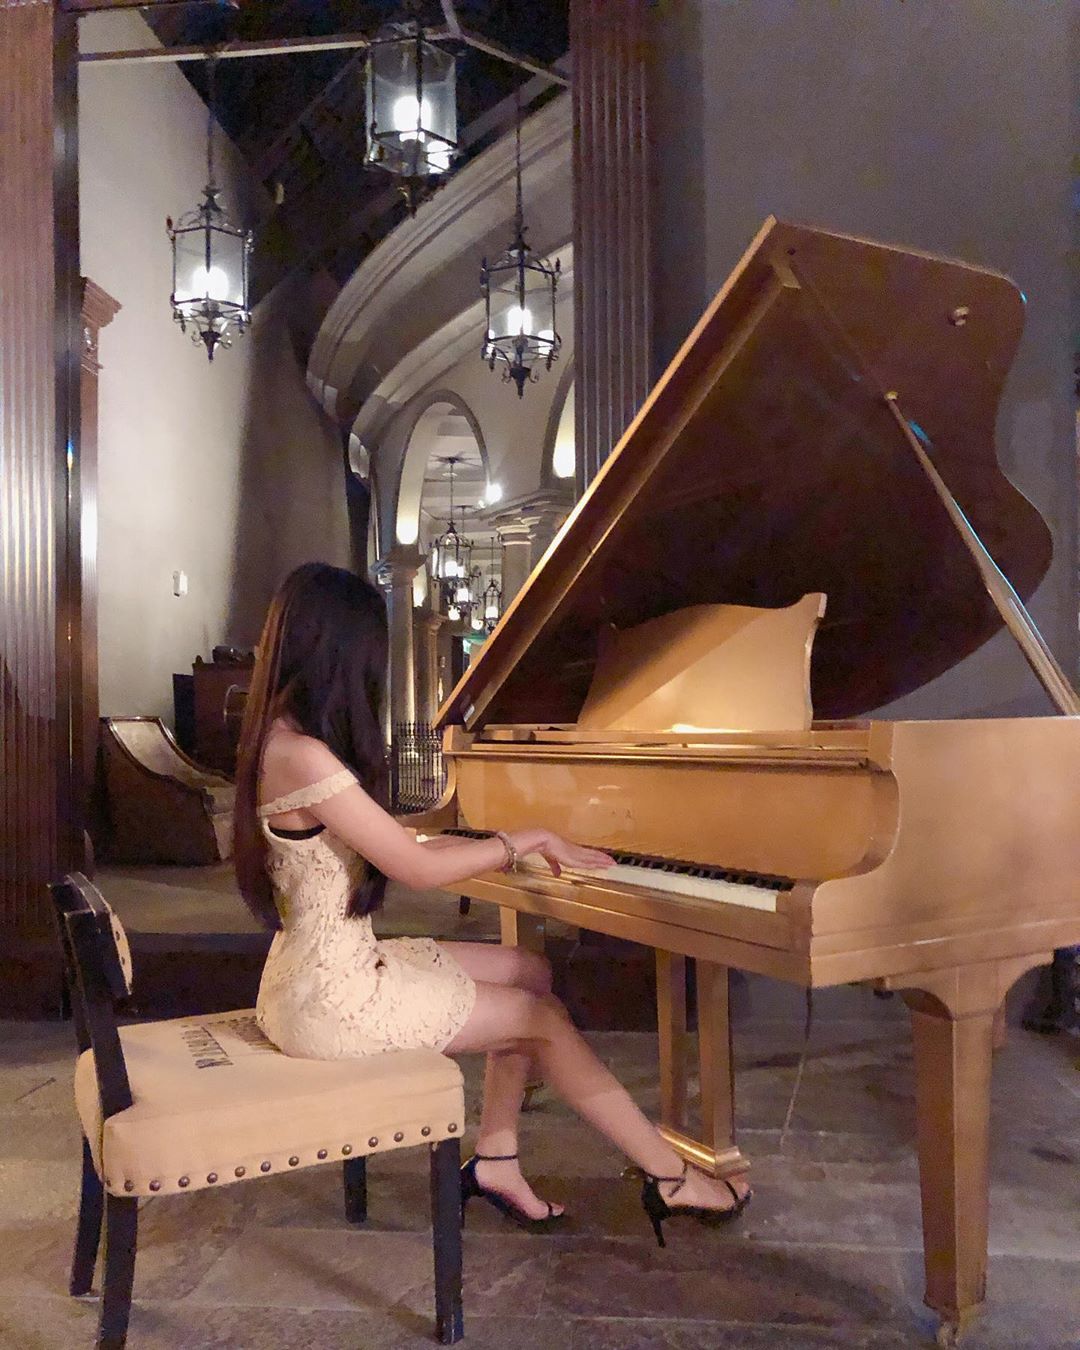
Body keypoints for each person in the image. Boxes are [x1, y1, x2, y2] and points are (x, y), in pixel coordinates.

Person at [234, 562, 750, 1240]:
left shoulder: (280, 739)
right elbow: (417, 868)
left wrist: (487, 840)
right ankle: (671, 1179)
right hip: (330, 999)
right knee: (540, 1020)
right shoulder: (303, 755)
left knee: (528, 970)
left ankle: (497, 1160)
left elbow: (394, 843)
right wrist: (519, 840)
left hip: (319, 968)